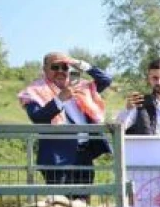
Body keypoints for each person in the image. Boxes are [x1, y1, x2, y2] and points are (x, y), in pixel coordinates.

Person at [17, 52, 113, 198]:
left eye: (64, 67)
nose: (60, 71)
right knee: (60, 206)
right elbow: (37, 118)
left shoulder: (80, 87)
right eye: (55, 67)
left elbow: (105, 79)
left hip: (84, 155)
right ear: (45, 69)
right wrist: (59, 99)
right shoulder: (34, 91)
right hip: (57, 159)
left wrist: (78, 63)